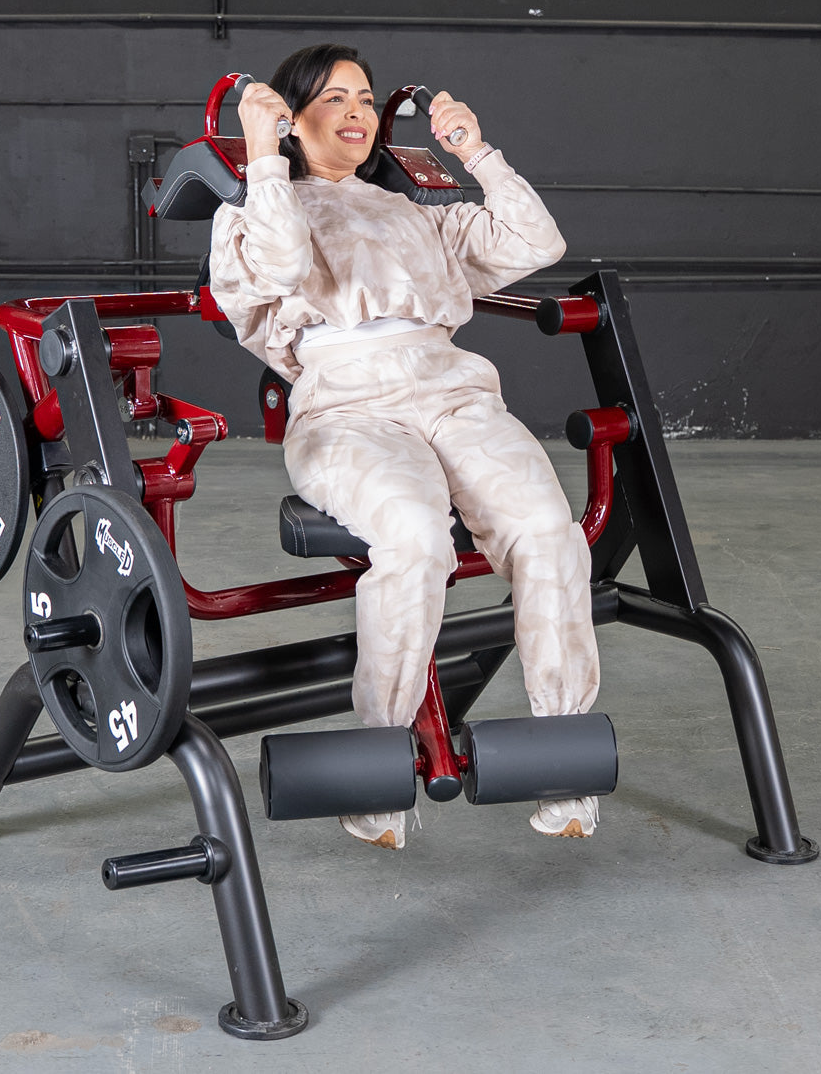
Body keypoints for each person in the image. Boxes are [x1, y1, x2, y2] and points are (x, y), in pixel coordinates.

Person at [209, 44, 600, 850]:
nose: (356, 114)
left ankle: (564, 755)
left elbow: (537, 243)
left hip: (452, 389)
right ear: (291, 116)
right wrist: (260, 153)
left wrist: (475, 152)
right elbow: (280, 267)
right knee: (415, 540)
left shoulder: (412, 213)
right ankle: (381, 764)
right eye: (333, 100)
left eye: (365, 99)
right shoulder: (251, 210)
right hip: (346, 405)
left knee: (545, 527)